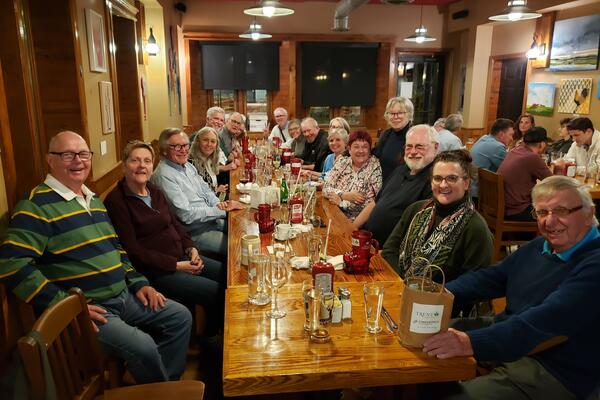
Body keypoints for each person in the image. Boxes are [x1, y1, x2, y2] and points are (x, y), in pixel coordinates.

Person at [0, 131, 191, 384]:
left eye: (83, 154)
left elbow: (118, 249)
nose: (77, 161)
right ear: (50, 159)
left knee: (180, 317)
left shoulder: (93, 200)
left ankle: (165, 384)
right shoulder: (37, 206)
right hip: (92, 309)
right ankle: (161, 388)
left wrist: (139, 283)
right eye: (67, 154)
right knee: (144, 346)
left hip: (125, 295)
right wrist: (67, 306)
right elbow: (11, 264)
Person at [422, 176, 600, 400]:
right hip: (511, 336)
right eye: (542, 213)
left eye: (561, 211)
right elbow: (490, 278)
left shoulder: (594, 264)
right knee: (423, 338)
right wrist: (435, 294)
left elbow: (543, 321)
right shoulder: (541, 246)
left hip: (554, 370)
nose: (549, 222)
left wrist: (470, 342)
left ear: (589, 214)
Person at [104, 140, 224, 334]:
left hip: (182, 257)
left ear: (153, 165)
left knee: (227, 274)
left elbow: (175, 224)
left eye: (147, 161)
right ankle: (212, 341)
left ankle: (214, 329)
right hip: (158, 272)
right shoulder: (116, 201)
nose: (142, 166)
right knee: (217, 292)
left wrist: (191, 249)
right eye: (135, 161)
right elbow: (133, 251)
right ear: (124, 165)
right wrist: (177, 265)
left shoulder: (155, 191)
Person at [382, 150, 492, 285]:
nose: (443, 185)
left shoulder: (475, 228)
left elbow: (475, 283)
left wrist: (427, 294)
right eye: (438, 178)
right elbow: (389, 250)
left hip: (445, 301)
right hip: (400, 289)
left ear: (466, 183)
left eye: (452, 178)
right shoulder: (416, 210)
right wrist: (405, 284)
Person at [151, 128, 244, 258]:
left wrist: (220, 204)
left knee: (243, 229)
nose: (184, 150)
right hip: (195, 232)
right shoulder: (164, 175)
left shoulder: (186, 165)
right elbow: (186, 215)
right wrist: (222, 211)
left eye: (185, 145)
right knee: (240, 247)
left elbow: (206, 190)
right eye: (177, 147)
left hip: (211, 220)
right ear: (164, 150)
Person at [355, 125, 439, 244]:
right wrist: (352, 227)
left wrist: (386, 253)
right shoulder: (400, 170)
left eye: (419, 147)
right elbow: (375, 202)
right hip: (367, 241)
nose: (413, 152)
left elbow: (419, 231)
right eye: (409, 147)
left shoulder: (435, 180)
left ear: (435, 147)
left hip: (387, 252)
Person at [323, 130, 382, 221]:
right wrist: (345, 195)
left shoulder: (374, 167)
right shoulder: (343, 162)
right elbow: (326, 188)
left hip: (354, 222)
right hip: (332, 213)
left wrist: (342, 202)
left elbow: (371, 202)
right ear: (349, 149)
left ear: (370, 149)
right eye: (356, 147)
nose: (360, 151)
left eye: (365, 147)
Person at [498, 127, 552, 221]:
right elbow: (554, 182)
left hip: (502, 207)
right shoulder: (532, 157)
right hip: (517, 210)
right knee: (554, 212)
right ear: (542, 144)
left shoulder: (515, 151)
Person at [469, 118, 515, 199]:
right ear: (501, 134)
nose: (512, 139)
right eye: (510, 135)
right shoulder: (497, 147)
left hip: (471, 188)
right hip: (481, 193)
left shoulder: (484, 137)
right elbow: (511, 170)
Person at [373, 96, 414, 183]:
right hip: (384, 184)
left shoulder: (414, 135)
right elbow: (376, 154)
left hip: (404, 185)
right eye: (391, 113)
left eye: (400, 113)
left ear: (409, 114)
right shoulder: (386, 134)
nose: (395, 117)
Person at [189, 127, 229, 194]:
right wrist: (216, 191)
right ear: (198, 142)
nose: (209, 144)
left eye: (213, 141)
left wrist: (217, 189)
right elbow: (195, 195)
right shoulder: (191, 163)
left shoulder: (209, 160)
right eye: (205, 140)